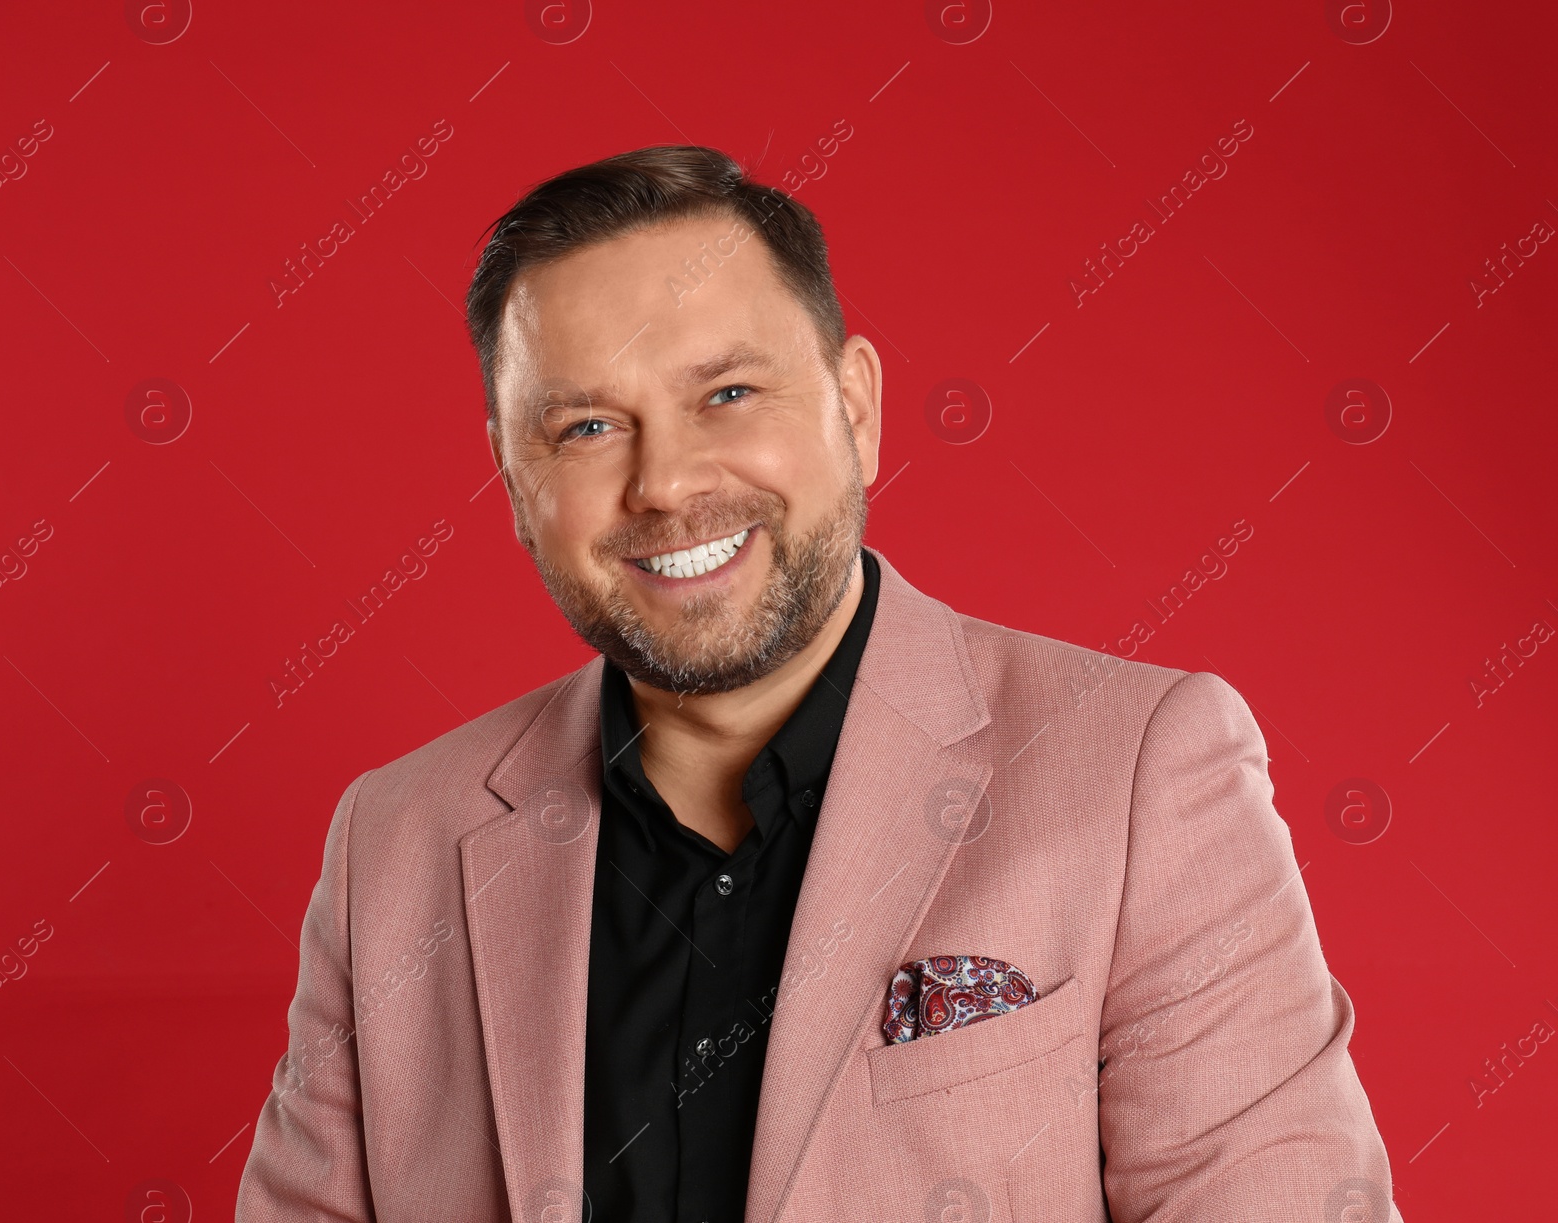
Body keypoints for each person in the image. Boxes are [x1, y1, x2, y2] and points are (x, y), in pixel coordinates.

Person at [236, 145, 1401, 1222]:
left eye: (727, 394)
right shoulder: (391, 843)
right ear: (514, 484)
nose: (667, 480)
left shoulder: (1142, 766)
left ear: (855, 404)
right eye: (587, 425)